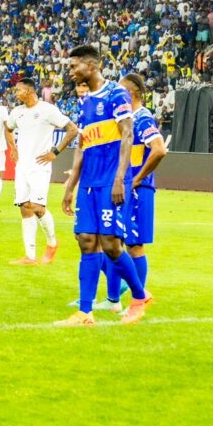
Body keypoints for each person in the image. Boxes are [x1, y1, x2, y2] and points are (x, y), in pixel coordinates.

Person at [58, 45, 151, 327]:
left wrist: (120, 178)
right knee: (86, 240)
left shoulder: (116, 94)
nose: (70, 72)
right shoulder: (85, 102)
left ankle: (139, 297)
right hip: (89, 182)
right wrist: (70, 186)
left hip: (111, 181)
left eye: (74, 66)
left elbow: (128, 134)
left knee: (110, 244)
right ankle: (85, 312)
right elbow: (81, 147)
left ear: (91, 65)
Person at [104, 73, 167, 301]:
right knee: (112, 241)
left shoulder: (142, 118)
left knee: (134, 245)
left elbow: (159, 149)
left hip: (139, 190)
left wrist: (138, 178)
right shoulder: (127, 119)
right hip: (124, 188)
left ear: (130, 94)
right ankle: (114, 298)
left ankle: (137, 299)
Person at [6, 79, 78, 265]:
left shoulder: (48, 110)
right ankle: (30, 256)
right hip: (22, 166)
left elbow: (72, 130)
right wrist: (13, 147)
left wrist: (55, 152)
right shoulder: (17, 112)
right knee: (25, 208)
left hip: (40, 166)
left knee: (37, 207)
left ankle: (52, 243)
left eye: (19, 90)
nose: (16, 93)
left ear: (29, 91)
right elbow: (8, 128)